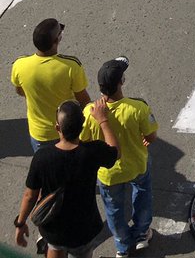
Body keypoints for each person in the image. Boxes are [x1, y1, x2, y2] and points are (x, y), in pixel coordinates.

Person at [15, 99, 118, 258]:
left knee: (54, 248)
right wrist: (103, 120)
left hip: (54, 228)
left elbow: (30, 196)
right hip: (82, 228)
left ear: (57, 127)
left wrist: (20, 224)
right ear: (81, 126)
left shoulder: (43, 157)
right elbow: (115, 152)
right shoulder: (92, 152)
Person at [81, 58, 157, 258]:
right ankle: (141, 234)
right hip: (136, 165)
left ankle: (122, 245)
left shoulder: (90, 112)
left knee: (113, 210)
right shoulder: (138, 108)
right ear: (121, 81)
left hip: (108, 173)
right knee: (142, 197)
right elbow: (151, 136)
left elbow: (83, 140)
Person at [11, 19, 90, 152]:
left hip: (39, 134)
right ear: (56, 40)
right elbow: (84, 101)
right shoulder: (71, 66)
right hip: (68, 130)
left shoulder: (19, 65)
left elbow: (20, 91)